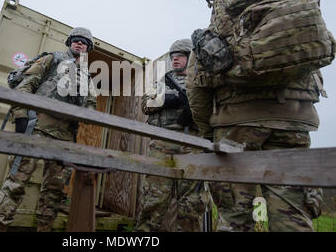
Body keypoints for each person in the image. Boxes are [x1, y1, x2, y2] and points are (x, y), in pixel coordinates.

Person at [185, 50, 324, 232]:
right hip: (294, 122)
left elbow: (196, 89)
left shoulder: (219, 30)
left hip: (237, 123)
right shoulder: (293, 22)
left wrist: (209, 133)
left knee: (235, 215)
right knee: (292, 211)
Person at [0, 27, 97, 232]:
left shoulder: (86, 77)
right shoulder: (52, 59)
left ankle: (44, 228)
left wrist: (81, 110)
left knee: (54, 191)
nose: (79, 43)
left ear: (88, 48)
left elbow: (91, 108)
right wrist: (21, 117)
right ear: (70, 42)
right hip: (35, 127)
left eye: (84, 42)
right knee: (16, 183)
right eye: (76, 40)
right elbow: (25, 86)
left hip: (64, 136)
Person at [134, 39, 210, 232]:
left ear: (190, 57)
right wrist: (168, 99)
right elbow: (145, 105)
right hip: (162, 144)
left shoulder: (201, 81)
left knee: (192, 204)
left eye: (180, 56)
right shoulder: (161, 83)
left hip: (193, 144)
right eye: (173, 57)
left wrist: (191, 108)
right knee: (154, 199)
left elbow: (213, 111)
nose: (175, 60)